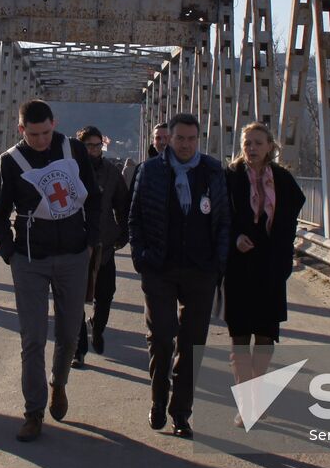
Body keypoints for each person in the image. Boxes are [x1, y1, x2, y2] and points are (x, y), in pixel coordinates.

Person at [0, 99, 101, 442]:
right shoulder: (10, 161)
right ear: (21, 129)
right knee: (33, 338)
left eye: (46, 132)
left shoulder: (74, 149)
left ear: (55, 123)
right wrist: (10, 253)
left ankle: (59, 382)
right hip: (30, 259)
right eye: (33, 134)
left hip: (72, 254)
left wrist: (90, 241)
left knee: (69, 333)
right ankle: (33, 411)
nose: (40, 140)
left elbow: (94, 197)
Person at [128, 112, 230, 438]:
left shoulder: (213, 171)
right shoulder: (150, 171)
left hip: (201, 270)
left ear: (198, 139)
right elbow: (135, 219)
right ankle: (159, 398)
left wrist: (219, 261)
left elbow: (225, 220)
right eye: (180, 138)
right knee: (160, 336)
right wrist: (141, 258)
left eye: (191, 139)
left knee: (192, 342)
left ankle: (181, 411)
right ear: (168, 139)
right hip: (160, 268)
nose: (186, 145)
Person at [224, 122, 305, 423]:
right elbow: (220, 215)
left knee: (266, 336)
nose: (252, 148)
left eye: (258, 143)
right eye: (247, 143)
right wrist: (234, 237)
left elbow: (291, 219)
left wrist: (282, 254)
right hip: (239, 266)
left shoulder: (283, 181)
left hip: (270, 267)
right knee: (240, 337)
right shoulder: (230, 177)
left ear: (270, 146)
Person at [72, 126, 130, 366]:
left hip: (104, 244)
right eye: (89, 146)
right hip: (75, 243)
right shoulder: (70, 170)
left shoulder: (111, 172)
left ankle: (97, 327)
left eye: (98, 145)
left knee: (105, 294)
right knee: (74, 298)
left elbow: (123, 205)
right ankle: (79, 349)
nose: (94, 150)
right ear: (80, 147)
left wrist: (123, 233)